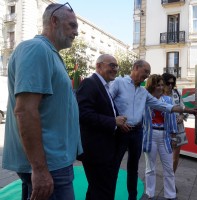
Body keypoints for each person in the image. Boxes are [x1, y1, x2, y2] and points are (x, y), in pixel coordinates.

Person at [2, 3, 82, 200]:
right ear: (54, 21)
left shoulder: (49, 53)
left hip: (54, 163)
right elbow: (25, 112)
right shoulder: (36, 49)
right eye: (72, 26)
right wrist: (39, 169)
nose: (76, 33)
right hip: (50, 166)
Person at [109, 59, 197, 200]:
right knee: (113, 168)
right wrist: (115, 120)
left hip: (139, 133)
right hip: (122, 133)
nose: (147, 75)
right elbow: (107, 102)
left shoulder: (144, 93)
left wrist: (188, 110)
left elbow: (165, 107)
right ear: (136, 67)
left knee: (133, 169)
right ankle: (110, 196)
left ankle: (134, 197)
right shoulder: (119, 83)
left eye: (148, 73)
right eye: (146, 72)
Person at [76, 54, 127, 200]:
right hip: (96, 151)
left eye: (116, 66)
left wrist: (118, 123)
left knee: (97, 190)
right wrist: (113, 121)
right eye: (112, 65)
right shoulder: (89, 83)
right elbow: (83, 113)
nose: (115, 69)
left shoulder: (104, 86)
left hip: (105, 150)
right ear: (98, 66)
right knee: (103, 192)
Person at [143, 74, 178, 200]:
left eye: (162, 85)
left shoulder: (168, 100)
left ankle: (171, 195)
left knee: (168, 168)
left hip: (165, 135)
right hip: (150, 135)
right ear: (152, 85)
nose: (161, 87)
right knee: (150, 168)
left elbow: (173, 118)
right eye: (158, 85)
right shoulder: (145, 99)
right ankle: (150, 194)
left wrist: (174, 137)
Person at [162, 73, 188, 192]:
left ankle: (171, 180)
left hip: (179, 129)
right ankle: (167, 179)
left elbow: (183, 108)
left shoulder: (177, 93)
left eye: (173, 83)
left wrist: (182, 116)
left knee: (175, 158)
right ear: (163, 82)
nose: (171, 85)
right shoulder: (159, 95)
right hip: (165, 130)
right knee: (167, 157)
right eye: (168, 83)